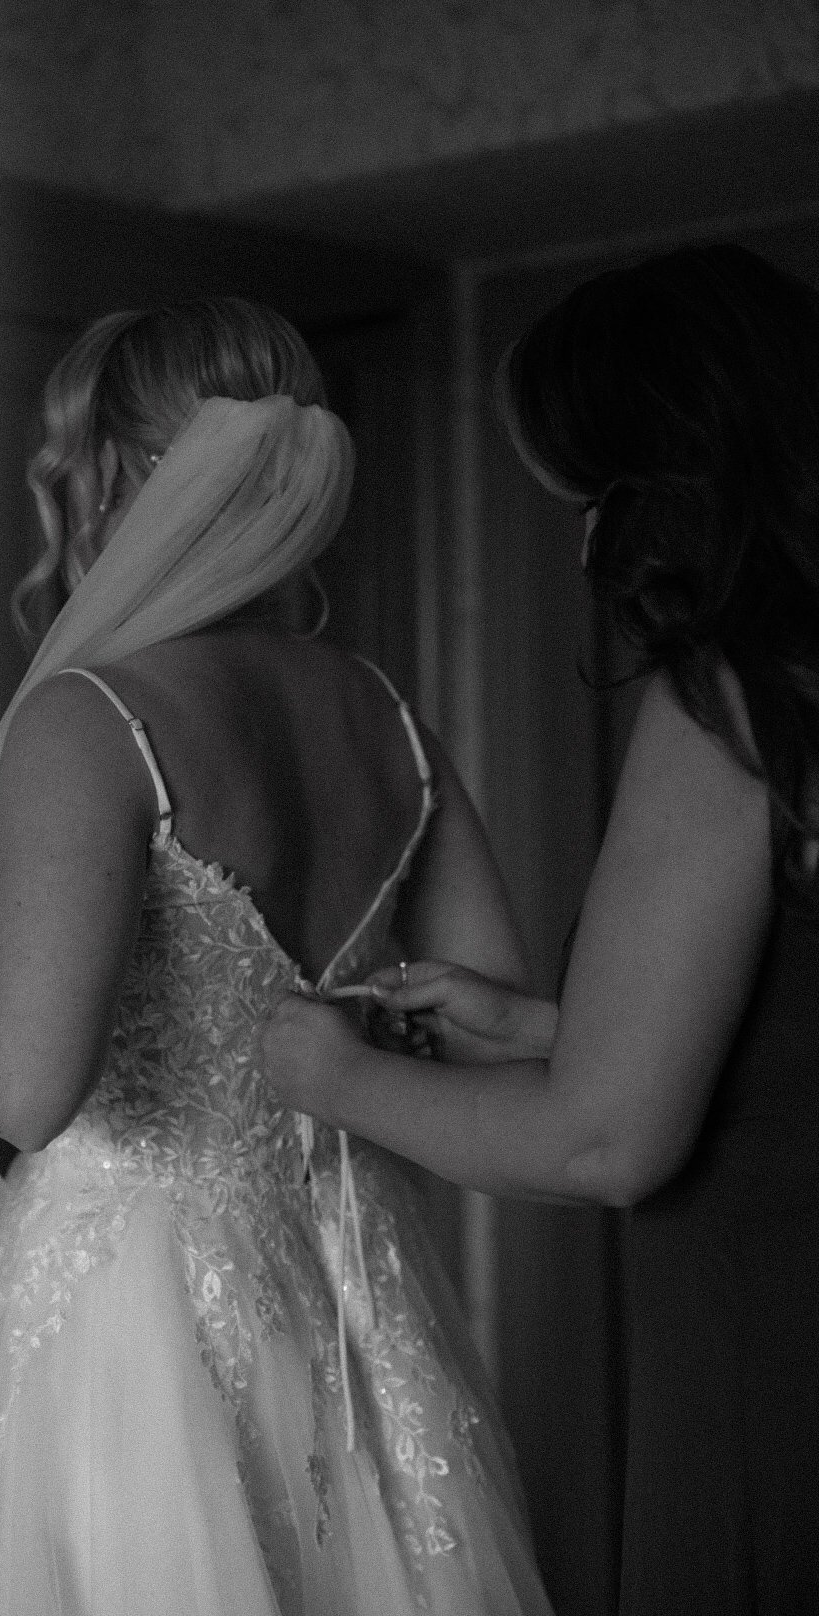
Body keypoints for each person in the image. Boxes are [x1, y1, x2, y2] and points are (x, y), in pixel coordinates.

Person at [0, 297, 554, 1615]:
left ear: (131, 475)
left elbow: (22, 1086)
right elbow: (485, 1000)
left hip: (135, 1312)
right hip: (348, 1290)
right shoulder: (382, 713)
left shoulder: (94, 717)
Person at [261, 244, 819, 1615]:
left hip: (772, 1348)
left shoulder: (734, 704)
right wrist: (554, 1026)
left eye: (589, 502)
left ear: (662, 485)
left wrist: (325, 1074)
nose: (585, 551)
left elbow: (605, 1141)